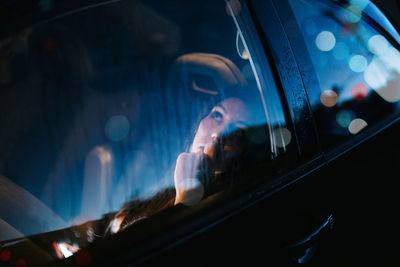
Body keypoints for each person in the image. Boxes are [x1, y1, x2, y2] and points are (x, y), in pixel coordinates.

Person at [105, 86, 268, 235]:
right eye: (217, 115)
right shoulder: (157, 181)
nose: (217, 135)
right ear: (199, 123)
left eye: (237, 132)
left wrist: (188, 194)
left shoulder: (226, 210)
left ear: (243, 153)